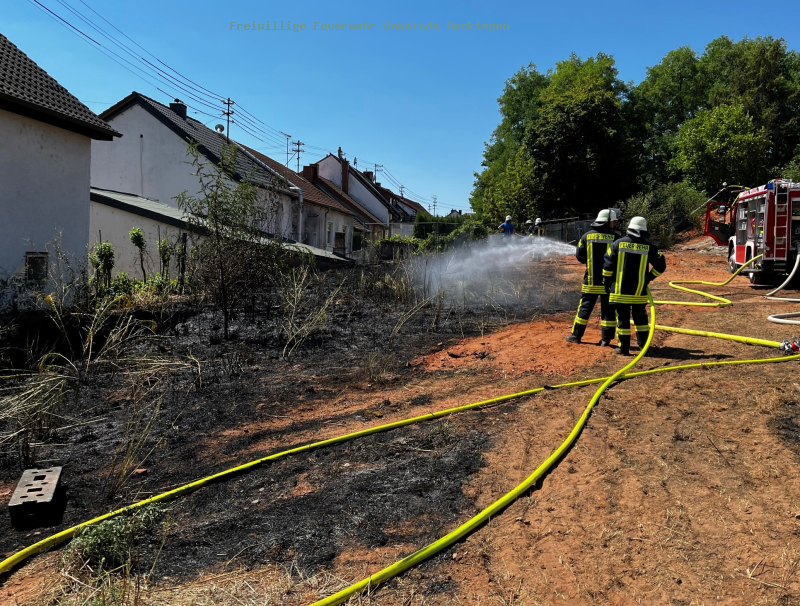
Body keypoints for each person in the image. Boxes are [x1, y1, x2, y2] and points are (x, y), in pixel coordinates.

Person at [602, 216, 667, 355]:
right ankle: (644, 346)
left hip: (619, 291)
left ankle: (624, 348)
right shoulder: (649, 247)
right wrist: (649, 277)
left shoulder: (617, 244)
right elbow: (661, 265)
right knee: (641, 319)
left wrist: (606, 282)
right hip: (639, 292)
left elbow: (607, 265)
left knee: (622, 319)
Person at [565, 209, 619, 346]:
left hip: (591, 280)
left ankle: (576, 336)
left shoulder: (586, 237)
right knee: (608, 310)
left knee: (584, 308)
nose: (614, 223)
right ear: (607, 222)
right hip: (609, 282)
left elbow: (580, 257)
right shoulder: (616, 238)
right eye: (613, 221)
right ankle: (606, 340)